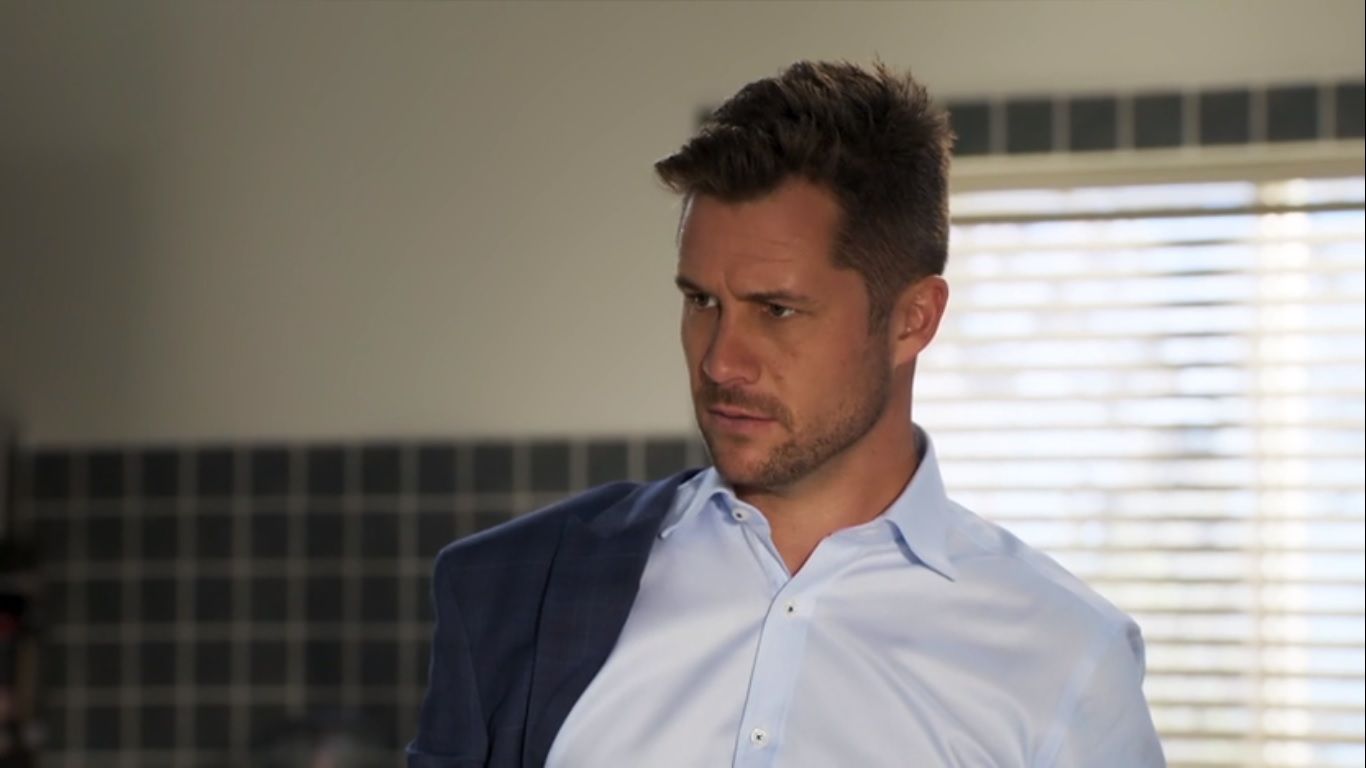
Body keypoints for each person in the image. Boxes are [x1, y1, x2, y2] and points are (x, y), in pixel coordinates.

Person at [407, 60, 1166, 768]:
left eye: (776, 310)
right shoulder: (515, 588)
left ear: (913, 320)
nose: (720, 362)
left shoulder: (1068, 660)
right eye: (702, 301)